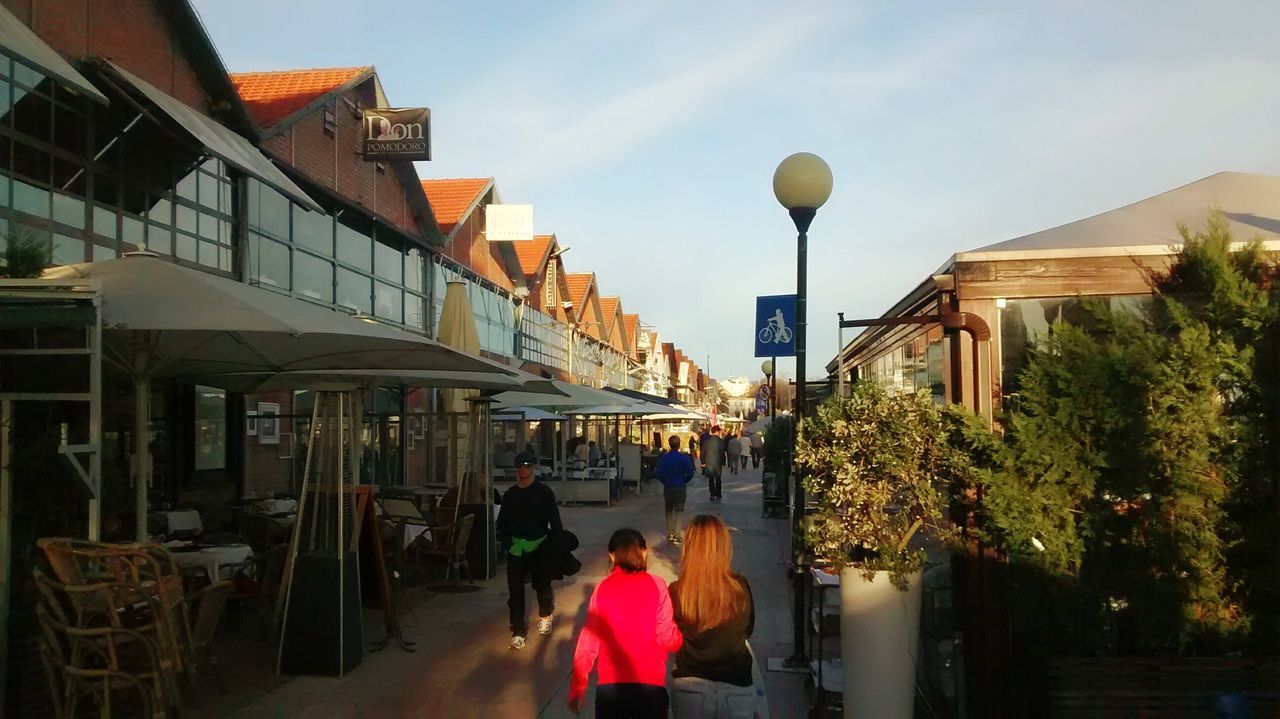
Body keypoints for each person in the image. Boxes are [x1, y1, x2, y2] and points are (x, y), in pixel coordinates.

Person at [569, 528, 683, 717]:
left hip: (611, 688)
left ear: (612, 556)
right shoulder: (657, 585)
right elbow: (667, 637)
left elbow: (587, 643)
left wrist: (578, 687)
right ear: (645, 552)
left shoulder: (602, 589)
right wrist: (684, 640)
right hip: (650, 686)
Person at [668, 515, 761, 718]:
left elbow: (670, 636)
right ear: (724, 546)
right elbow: (749, 629)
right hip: (736, 686)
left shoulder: (677, 591)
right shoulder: (739, 587)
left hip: (689, 686)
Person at [496, 449, 564, 650]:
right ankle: (517, 630)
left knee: (542, 584)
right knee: (515, 590)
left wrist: (556, 545)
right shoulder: (510, 494)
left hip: (539, 545)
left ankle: (545, 614)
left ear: (534, 467)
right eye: (520, 466)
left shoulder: (543, 492)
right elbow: (502, 522)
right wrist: (508, 543)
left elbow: (555, 520)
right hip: (517, 548)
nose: (523, 469)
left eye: (527, 465)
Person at [656, 435, 696, 544]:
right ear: (678, 445)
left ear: (669, 444)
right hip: (680, 487)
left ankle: (670, 533)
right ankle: (677, 534)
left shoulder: (664, 457)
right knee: (679, 511)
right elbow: (690, 473)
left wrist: (665, 481)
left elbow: (658, 473)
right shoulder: (684, 458)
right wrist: (684, 480)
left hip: (668, 486)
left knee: (668, 510)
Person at [700, 427, 726, 502]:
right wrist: (723, 462)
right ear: (717, 432)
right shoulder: (721, 441)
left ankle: (712, 494)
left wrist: (703, 462)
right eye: (719, 431)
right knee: (718, 479)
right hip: (718, 463)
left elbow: (703, 452)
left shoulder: (707, 441)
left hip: (709, 463)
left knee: (711, 479)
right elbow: (723, 452)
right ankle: (718, 494)